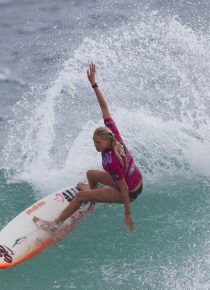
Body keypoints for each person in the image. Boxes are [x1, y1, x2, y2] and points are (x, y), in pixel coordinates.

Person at [34, 63, 143, 232]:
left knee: (80, 195)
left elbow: (123, 188)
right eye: (93, 142)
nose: (95, 145)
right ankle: (92, 201)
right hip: (135, 180)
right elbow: (104, 107)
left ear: (106, 142)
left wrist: (127, 214)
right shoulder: (113, 134)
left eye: (97, 143)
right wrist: (94, 84)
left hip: (129, 192)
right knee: (90, 174)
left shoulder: (112, 161)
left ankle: (54, 225)